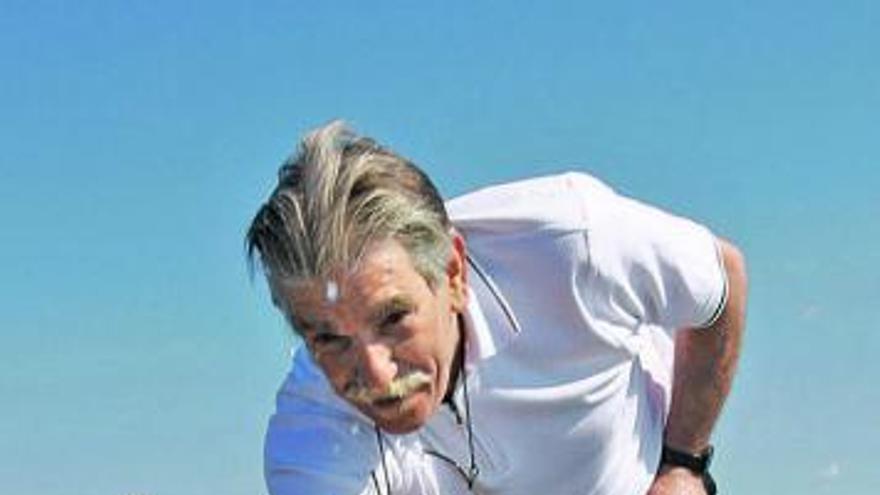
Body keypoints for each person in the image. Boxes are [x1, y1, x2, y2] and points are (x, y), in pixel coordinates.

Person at [245, 121, 747, 495]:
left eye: (394, 319)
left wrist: (684, 462)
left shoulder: (575, 244)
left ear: (454, 274)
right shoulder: (312, 427)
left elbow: (722, 281)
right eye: (329, 339)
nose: (376, 375)